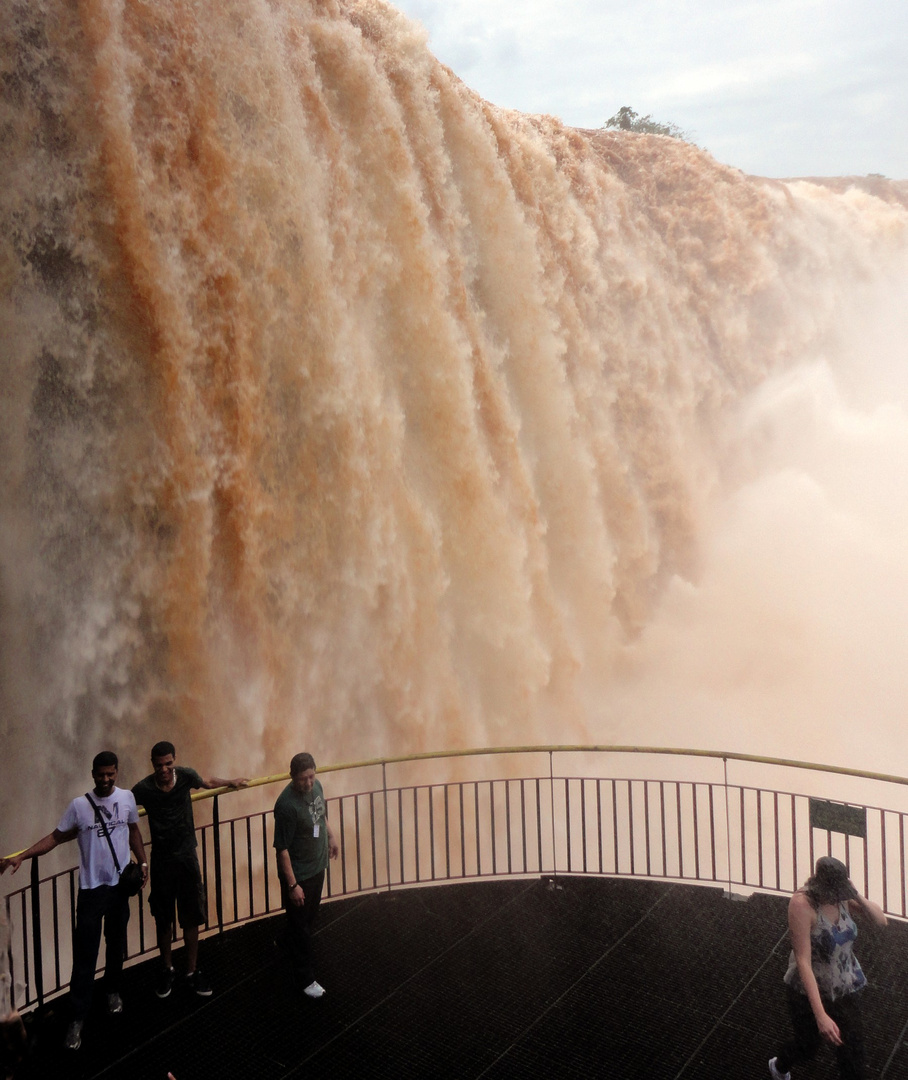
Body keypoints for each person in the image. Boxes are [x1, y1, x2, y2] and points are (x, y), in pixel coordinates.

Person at [0, 751, 147, 1051]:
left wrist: (144, 864)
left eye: (110, 774)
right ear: (92, 773)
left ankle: (112, 991)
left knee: (116, 943)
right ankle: (77, 1018)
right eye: (101, 774)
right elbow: (55, 838)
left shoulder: (127, 798)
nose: (106, 779)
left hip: (120, 886)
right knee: (85, 956)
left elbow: (133, 830)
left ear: (116, 772)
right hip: (92, 890)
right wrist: (23, 856)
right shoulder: (79, 806)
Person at [132, 741, 248, 999]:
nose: (164, 769)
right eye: (159, 764)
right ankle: (167, 969)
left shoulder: (185, 775)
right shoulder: (143, 789)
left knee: (192, 915)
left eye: (168, 763)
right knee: (163, 917)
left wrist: (231, 782)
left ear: (174, 761)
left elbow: (207, 782)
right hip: (161, 861)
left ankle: (192, 971)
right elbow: (125, 809)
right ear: (153, 764)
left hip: (187, 857)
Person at [768, 855, 888, 1080]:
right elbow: (803, 961)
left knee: (853, 1057)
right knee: (807, 1047)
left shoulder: (842, 897)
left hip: (844, 986)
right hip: (808, 990)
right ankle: (779, 1065)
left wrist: (855, 895)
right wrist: (821, 1014)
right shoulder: (802, 904)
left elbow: (880, 921)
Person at [273, 752, 339, 998]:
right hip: (299, 875)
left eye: (311, 777)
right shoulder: (286, 806)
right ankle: (305, 979)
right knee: (302, 928)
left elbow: (320, 816)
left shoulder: (317, 786)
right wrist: (292, 886)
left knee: (307, 919)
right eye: (303, 779)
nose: (308, 783)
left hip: (317, 867)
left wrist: (331, 836)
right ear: (292, 778)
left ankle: (284, 941)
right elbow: (282, 850)